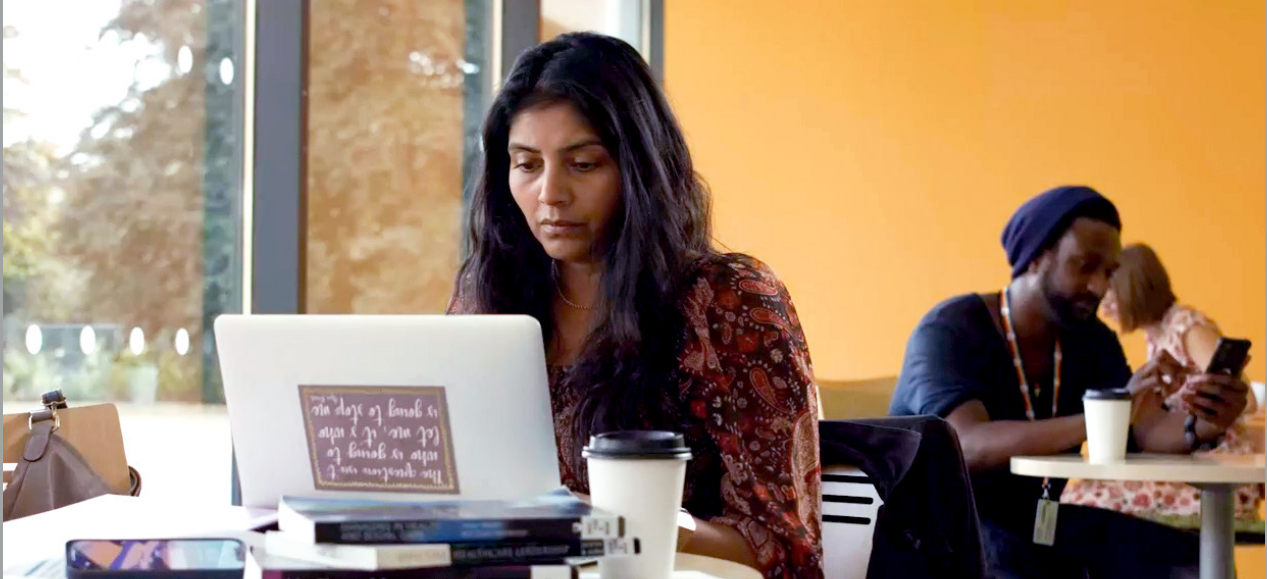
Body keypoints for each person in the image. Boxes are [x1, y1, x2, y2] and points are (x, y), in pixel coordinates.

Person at [448, 33, 822, 578]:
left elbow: (786, 547)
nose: (550, 194)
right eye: (527, 165)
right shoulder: (486, 301)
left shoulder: (728, 299)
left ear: (639, 168)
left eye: (583, 164)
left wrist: (618, 525)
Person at [888, 186, 1250, 578]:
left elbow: (1145, 430)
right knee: (1011, 562)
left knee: (1188, 560)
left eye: (1108, 272)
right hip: (933, 528)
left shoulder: (1091, 340)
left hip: (1034, 521)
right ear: (1037, 258)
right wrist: (1108, 415)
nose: (1099, 286)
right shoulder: (951, 329)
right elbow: (968, 444)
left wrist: (1204, 423)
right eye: (1084, 266)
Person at [1061, 243, 1263, 526]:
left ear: (1135, 289)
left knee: (1085, 497)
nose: (1103, 304)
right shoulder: (1157, 334)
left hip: (1215, 470)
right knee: (1083, 494)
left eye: (1111, 293)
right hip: (1188, 461)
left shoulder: (1185, 326)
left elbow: (1246, 398)